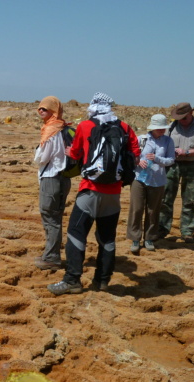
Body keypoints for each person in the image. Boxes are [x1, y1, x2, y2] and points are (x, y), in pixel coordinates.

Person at [47, 92, 140, 295]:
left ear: (93, 107)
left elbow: (77, 153)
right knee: (107, 238)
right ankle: (102, 281)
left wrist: (69, 151)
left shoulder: (85, 126)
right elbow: (134, 153)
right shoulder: (124, 127)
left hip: (90, 190)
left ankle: (72, 280)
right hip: (114, 194)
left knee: (76, 233)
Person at [157, 102, 194, 243]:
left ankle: (187, 231)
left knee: (190, 198)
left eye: (184, 117)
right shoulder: (172, 126)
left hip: (192, 165)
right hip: (172, 165)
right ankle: (162, 229)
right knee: (166, 197)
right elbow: (162, 143)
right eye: (179, 117)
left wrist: (187, 152)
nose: (181, 120)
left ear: (191, 113)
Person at [32, 96, 72, 271]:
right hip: (63, 178)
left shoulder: (52, 130)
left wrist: (36, 153)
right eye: (40, 108)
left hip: (51, 178)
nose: (41, 111)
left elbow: (42, 157)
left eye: (45, 109)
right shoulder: (64, 128)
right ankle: (50, 253)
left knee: (50, 218)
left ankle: (51, 258)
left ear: (54, 111)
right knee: (54, 217)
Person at [126, 114, 175, 253]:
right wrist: (137, 161)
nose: (161, 130)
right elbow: (132, 155)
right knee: (136, 209)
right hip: (139, 178)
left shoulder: (168, 141)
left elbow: (171, 160)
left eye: (163, 128)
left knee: (153, 210)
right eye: (158, 128)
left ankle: (149, 238)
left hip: (158, 180)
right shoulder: (142, 139)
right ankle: (135, 238)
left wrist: (157, 158)